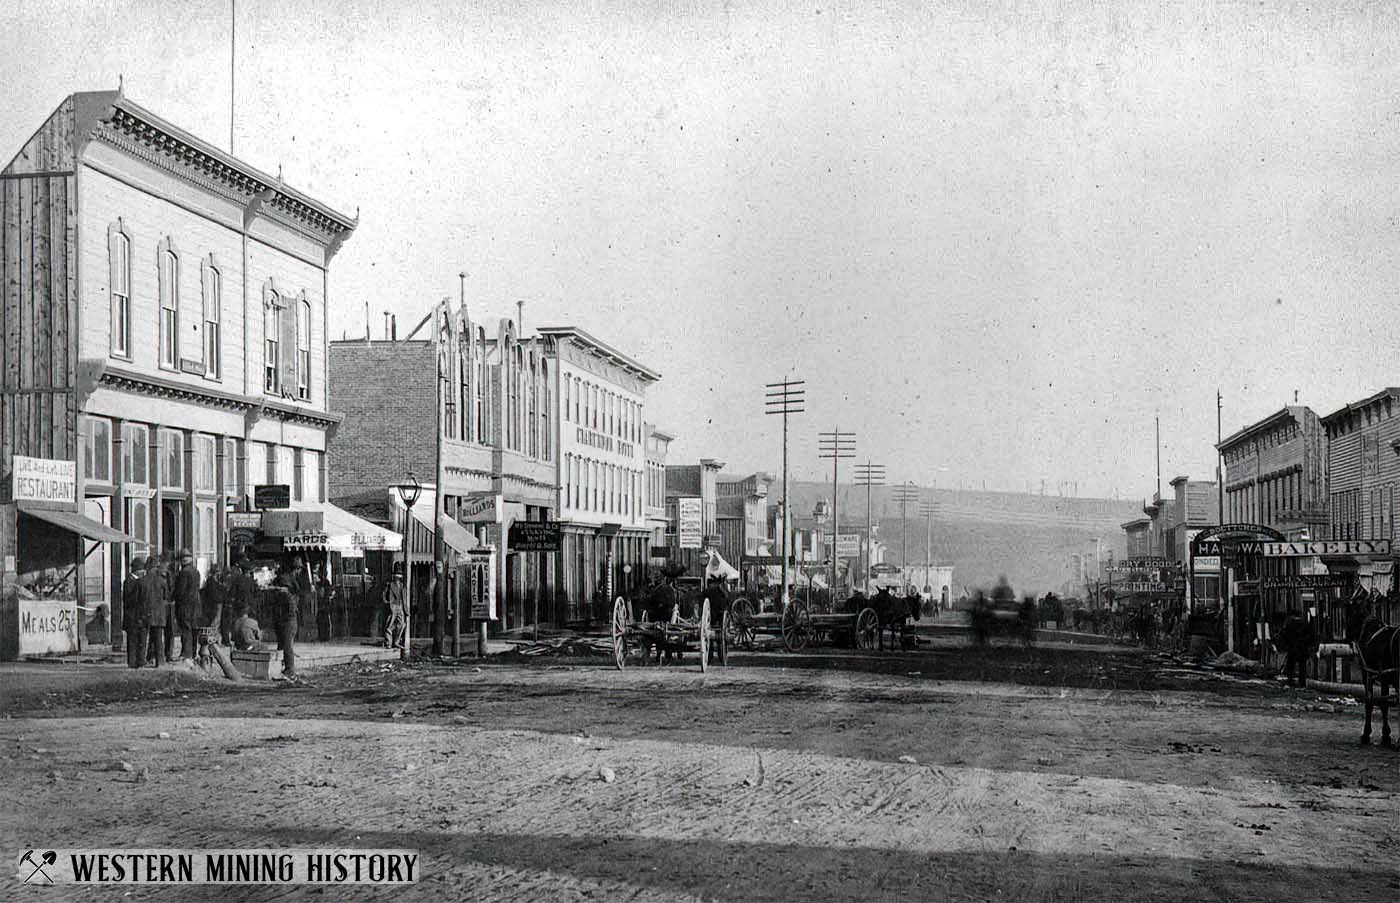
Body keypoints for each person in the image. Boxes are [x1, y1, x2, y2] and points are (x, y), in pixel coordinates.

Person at [139, 555, 168, 667]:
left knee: (143, 638)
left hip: (145, 613)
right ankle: (159, 661)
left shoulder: (141, 582)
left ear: (147, 568)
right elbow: (166, 596)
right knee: (158, 639)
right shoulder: (162, 581)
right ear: (156, 568)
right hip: (159, 613)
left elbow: (138, 599)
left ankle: (141, 661)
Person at [270, 564, 299, 678]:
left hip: (288, 622)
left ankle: (290, 669)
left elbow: (290, 611)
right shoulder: (284, 596)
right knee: (282, 646)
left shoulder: (288, 597)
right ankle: (282, 668)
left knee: (287, 646)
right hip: (283, 622)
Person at [173, 550, 202, 661]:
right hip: (196, 605)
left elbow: (180, 591)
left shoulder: (184, 573)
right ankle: (193, 652)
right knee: (194, 629)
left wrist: (174, 597)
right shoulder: (196, 571)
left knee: (186, 629)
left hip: (185, 605)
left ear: (182, 561)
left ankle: (186, 653)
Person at [1278, 611, 1318, 688]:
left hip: (1293, 648)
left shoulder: (1289, 623)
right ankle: (1301, 682)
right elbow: (1310, 636)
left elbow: (1284, 635)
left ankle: (1290, 680)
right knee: (1301, 666)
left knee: (1291, 665)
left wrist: (1286, 645)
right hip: (1301, 648)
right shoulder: (1304, 624)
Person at [121, 557, 148, 669]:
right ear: (137, 570)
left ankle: (140, 661)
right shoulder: (129, 581)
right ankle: (132, 662)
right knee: (132, 640)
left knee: (141, 639)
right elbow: (129, 600)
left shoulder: (137, 581)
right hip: (132, 617)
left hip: (139, 616)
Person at [202, 567, 230, 646]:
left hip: (215, 604)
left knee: (216, 622)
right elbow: (214, 594)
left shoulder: (213, 581)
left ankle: (215, 639)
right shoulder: (212, 581)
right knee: (215, 622)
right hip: (215, 604)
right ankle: (213, 639)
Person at [382, 566, 407, 650]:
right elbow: (383, 594)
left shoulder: (402, 586)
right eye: (396, 575)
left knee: (402, 624)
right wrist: (387, 602)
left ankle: (396, 642)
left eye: (399, 576)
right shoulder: (389, 585)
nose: (398, 577)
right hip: (392, 606)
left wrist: (405, 609)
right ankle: (388, 643)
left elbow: (404, 597)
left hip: (400, 606)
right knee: (389, 625)